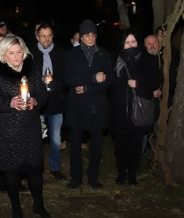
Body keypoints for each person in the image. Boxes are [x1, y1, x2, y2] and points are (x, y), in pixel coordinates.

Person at [0, 34, 50, 218]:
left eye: (19, 52)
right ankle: (16, 207)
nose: (17, 56)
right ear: (4, 55)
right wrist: (8, 103)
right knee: (11, 170)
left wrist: (37, 99)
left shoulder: (32, 70)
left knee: (35, 169)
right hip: (7, 130)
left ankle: (39, 204)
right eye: (12, 53)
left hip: (30, 129)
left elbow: (43, 92)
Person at [64, 19, 113, 189]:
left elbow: (108, 81)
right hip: (77, 108)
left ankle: (93, 177)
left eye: (93, 34)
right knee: (75, 146)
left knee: (97, 146)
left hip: (97, 107)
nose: (91, 38)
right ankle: (75, 177)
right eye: (87, 35)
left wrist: (85, 88)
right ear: (81, 37)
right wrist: (92, 79)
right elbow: (69, 79)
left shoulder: (104, 54)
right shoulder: (71, 54)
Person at [109, 29, 162, 186]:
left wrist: (138, 84)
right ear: (122, 44)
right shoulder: (115, 60)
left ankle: (132, 174)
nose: (130, 45)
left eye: (133, 42)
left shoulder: (148, 59)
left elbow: (154, 82)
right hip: (119, 111)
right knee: (120, 145)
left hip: (139, 110)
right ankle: (121, 172)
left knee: (136, 144)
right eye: (127, 42)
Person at [32, 22, 68, 179]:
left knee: (55, 138)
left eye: (49, 35)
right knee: (37, 137)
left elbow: (68, 78)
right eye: (43, 36)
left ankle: (55, 167)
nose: (46, 39)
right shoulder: (30, 55)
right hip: (38, 103)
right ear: (37, 37)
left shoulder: (61, 54)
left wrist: (57, 83)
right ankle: (36, 167)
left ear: (53, 36)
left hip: (56, 103)